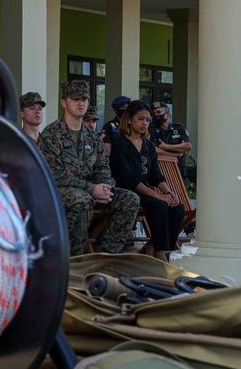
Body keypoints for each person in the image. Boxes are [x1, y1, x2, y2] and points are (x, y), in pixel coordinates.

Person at [39, 80, 140, 256]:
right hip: (58, 192)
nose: (81, 103)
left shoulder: (92, 137)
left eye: (84, 99)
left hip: (90, 191)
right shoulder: (51, 134)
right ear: (64, 102)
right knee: (81, 200)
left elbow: (103, 167)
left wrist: (105, 188)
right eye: (75, 99)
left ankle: (105, 256)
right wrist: (91, 189)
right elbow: (53, 175)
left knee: (130, 199)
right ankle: (73, 260)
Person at [111, 100, 185, 263]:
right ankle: (160, 254)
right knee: (158, 205)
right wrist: (159, 197)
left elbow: (156, 176)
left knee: (177, 207)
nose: (145, 123)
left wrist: (168, 193)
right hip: (126, 191)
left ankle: (162, 248)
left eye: (147, 119)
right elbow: (128, 179)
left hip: (145, 190)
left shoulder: (148, 145)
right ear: (129, 119)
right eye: (141, 119)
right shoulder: (119, 143)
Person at [149, 101, 192, 176]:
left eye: (159, 112)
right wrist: (177, 153)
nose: (156, 115)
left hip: (177, 173)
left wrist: (166, 147)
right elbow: (153, 150)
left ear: (168, 113)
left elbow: (188, 146)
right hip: (159, 173)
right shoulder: (152, 131)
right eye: (154, 113)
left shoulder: (178, 129)